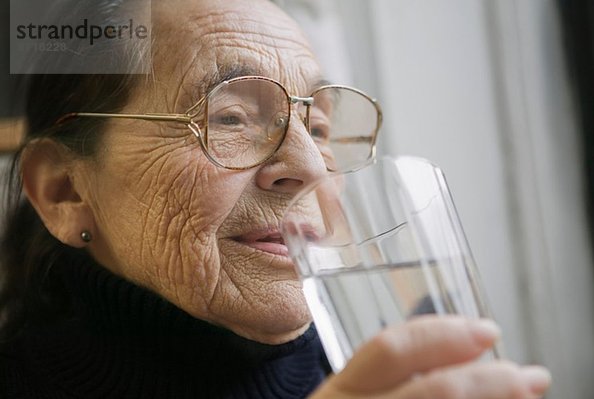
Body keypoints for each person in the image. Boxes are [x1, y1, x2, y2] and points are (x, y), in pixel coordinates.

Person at [0, 0, 551, 397]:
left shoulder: (401, 371)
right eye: (231, 117)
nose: (311, 167)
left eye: (317, 127)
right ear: (64, 192)